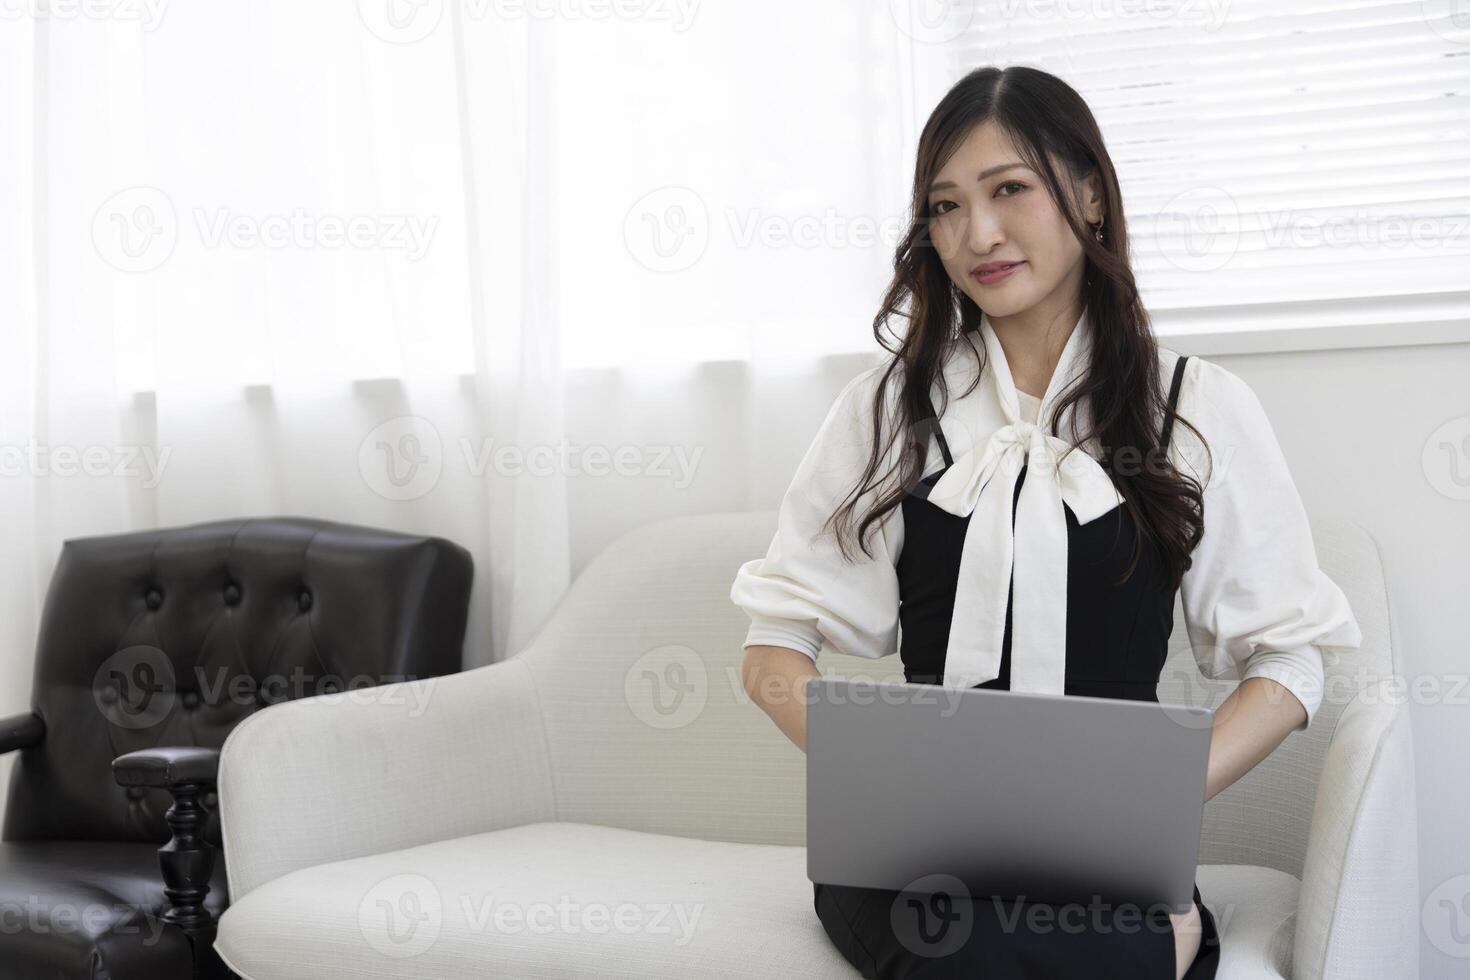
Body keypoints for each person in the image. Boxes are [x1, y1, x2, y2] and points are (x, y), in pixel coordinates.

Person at [729, 65, 1362, 980]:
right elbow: (773, 646)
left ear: (1091, 195)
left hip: (1108, 863)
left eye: (1009, 190)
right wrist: (888, 792)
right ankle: (1168, 941)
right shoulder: (887, 411)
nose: (976, 233)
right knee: (962, 947)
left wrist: (1152, 804)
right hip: (916, 865)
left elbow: (1293, 658)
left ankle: (1158, 926)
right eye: (945, 207)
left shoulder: (1195, 408)